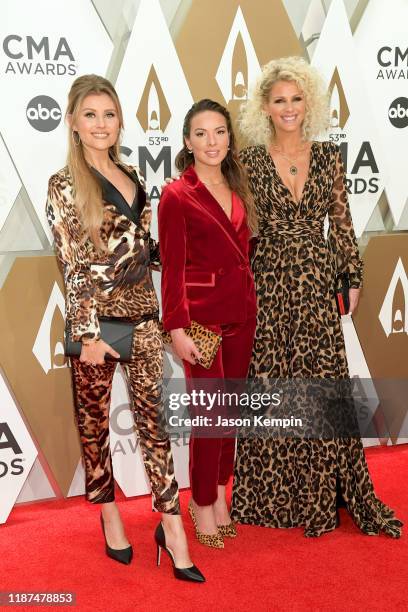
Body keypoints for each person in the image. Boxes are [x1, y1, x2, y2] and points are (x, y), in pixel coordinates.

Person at [230, 57, 402, 538]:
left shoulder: (328, 156)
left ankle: (322, 490)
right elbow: (240, 231)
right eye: (279, 100)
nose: (289, 108)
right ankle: (272, 493)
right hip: (269, 283)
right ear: (264, 107)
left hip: (317, 281)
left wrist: (352, 275)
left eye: (296, 98)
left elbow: (342, 224)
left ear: (310, 103)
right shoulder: (250, 161)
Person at [46, 74, 205, 582]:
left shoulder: (132, 174)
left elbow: (147, 252)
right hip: (97, 325)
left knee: (155, 427)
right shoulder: (63, 184)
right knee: (94, 430)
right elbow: (72, 263)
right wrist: (89, 334)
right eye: (89, 115)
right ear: (72, 122)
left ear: (119, 122)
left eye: (108, 114)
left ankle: (171, 526)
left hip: (142, 318)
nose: (100, 124)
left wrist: (191, 257)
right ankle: (109, 514)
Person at [158, 99, 257, 548]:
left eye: (220, 132)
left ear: (229, 138)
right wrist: (176, 328)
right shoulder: (177, 194)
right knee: (209, 417)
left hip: (242, 315)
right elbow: (173, 267)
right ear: (187, 141)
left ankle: (220, 495)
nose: (212, 141)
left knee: (229, 416)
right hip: (201, 322)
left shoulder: (240, 186)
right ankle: (199, 504)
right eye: (201, 133)